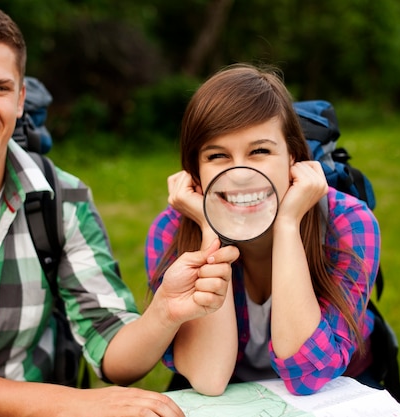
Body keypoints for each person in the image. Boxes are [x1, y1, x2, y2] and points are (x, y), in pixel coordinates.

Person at [0, 2, 239, 416]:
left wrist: (163, 314)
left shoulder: (63, 200)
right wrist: (74, 404)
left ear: (19, 99)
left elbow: (114, 355)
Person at [145, 64, 381, 397]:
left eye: (259, 151)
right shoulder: (171, 231)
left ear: (293, 158)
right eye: (217, 155)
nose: (240, 174)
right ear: (195, 173)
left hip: (335, 392)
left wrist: (287, 223)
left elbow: (307, 376)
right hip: (231, 395)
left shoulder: (349, 223)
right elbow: (208, 377)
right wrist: (210, 226)